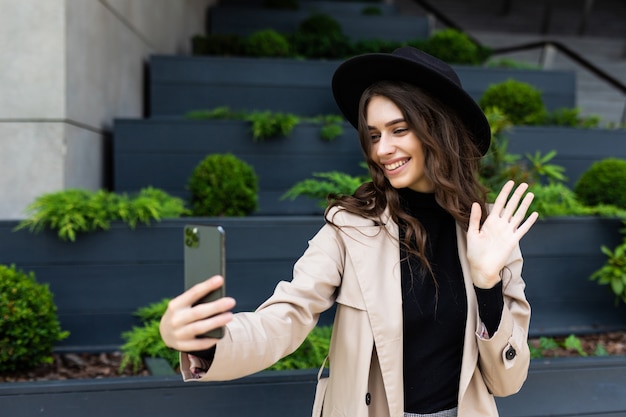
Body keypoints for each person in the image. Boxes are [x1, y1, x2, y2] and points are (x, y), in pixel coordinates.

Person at [159, 46, 538, 417]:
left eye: (399, 130)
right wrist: (208, 344)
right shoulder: (351, 225)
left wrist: (487, 284)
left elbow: (508, 381)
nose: (382, 149)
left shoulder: (492, 233)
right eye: (373, 135)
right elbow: (287, 315)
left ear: (438, 129)